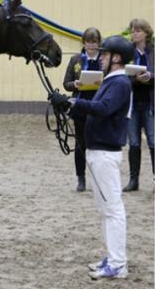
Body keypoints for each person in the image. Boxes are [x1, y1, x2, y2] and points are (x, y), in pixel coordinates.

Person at [49, 35, 134, 279]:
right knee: (106, 209)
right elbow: (97, 109)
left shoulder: (119, 83)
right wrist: (68, 105)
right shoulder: (112, 81)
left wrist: (73, 101)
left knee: (113, 209)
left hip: (105, 152)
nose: (101, 58)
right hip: (98, 151)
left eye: (105, 55)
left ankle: (118, 264)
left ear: (116, 58)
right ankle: (112, 257)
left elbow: (104, 108)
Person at [62, 27, 102, 192]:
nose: (91, 46)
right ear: (83, 43)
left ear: (99, 43)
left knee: (98, 143)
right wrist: (75, 85)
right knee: (80, 143)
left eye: (94, 42)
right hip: (80, 104)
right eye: (88, 42)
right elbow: (66, 83)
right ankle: (81, 178)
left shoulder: (103, 60)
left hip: (99, 104)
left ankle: (98, 177)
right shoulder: (76, 59)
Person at [123, 18, 155, 192]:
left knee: (152, 142)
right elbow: (122, 75)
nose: (134, 33)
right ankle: (133, 180)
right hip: (133, 104)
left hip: (149, 104)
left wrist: (150, 76)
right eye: (133, 31)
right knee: (134, 143)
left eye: (138, 31)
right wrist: (135, 79)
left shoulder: (153, 52)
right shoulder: (128, 53)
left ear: (146, 33)